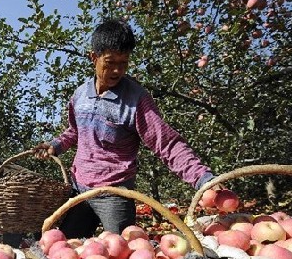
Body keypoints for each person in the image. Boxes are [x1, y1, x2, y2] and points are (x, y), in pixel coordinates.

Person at [34, 18, 223, 239]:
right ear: (93, 57)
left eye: (123, 63)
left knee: (123, 255)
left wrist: (203, 179)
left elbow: (167, 144)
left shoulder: (136, 99)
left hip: (115, 195)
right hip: (79, 191)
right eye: (110, 62)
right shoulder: (80, 95)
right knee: (68, 248)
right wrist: (54, 146)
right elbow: (75, 131)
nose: (117, 70)